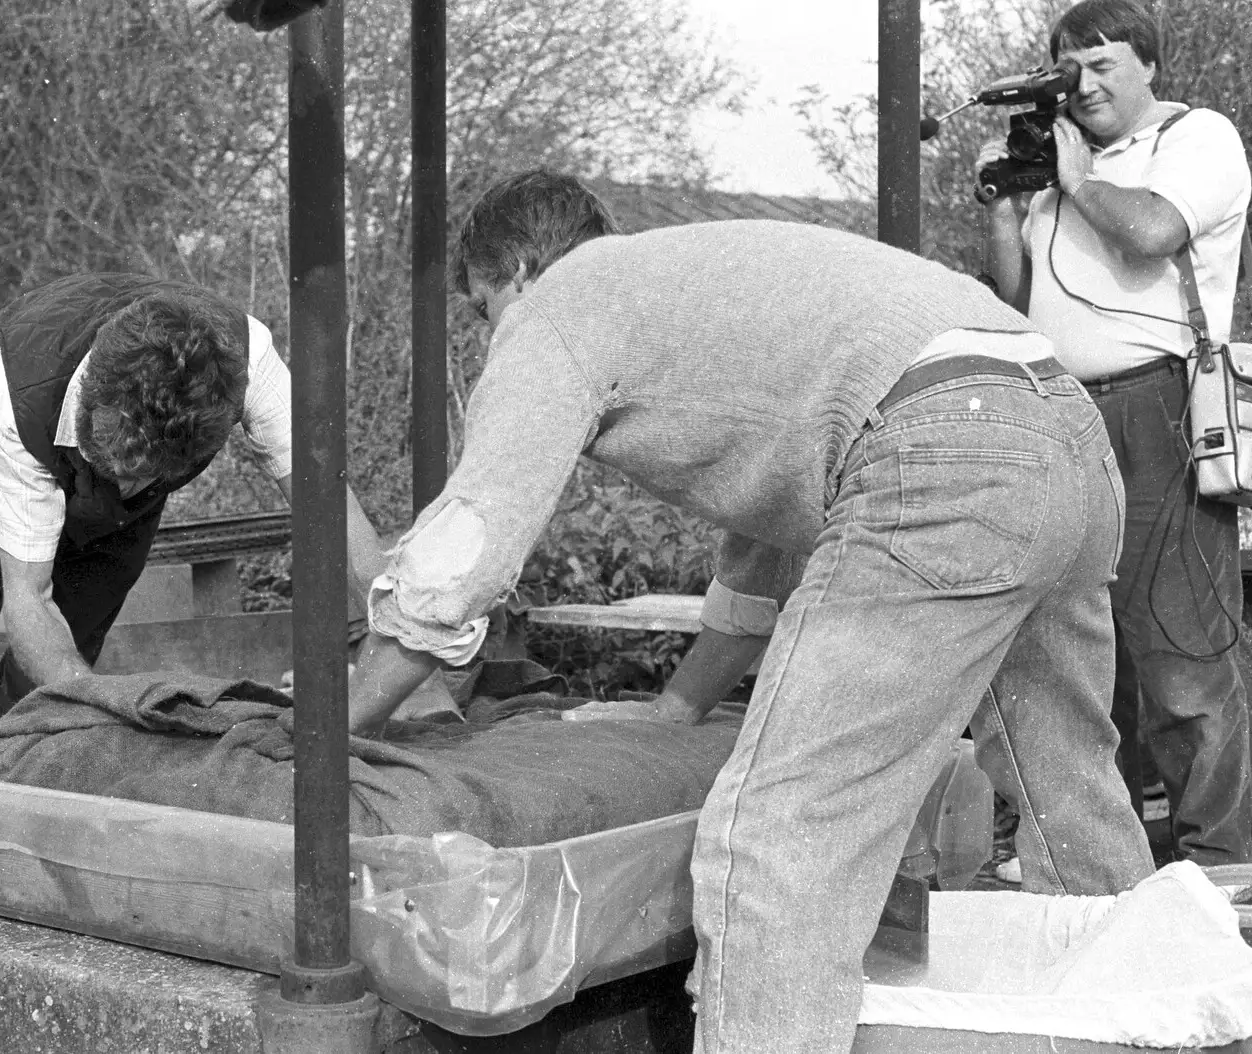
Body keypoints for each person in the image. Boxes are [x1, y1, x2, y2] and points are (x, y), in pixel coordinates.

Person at [344, 169, 1154, 1052]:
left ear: (522, 272)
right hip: (1063, 426)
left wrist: (332, 728)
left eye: (480, 311)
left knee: (778, 838)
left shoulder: (561, 303)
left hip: (946, 447)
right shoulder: (703, 280)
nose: (490, 336)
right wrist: (676, 707)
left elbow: (468, 548)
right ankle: (1148, 1023)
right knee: (1067, 788)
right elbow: (771, 537)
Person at [0, 272, 385, 732]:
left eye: (145, 478)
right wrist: (109, 702)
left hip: (126, 439)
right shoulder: (16, 395)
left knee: (70, 650)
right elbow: (29, 600)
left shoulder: (252, 368)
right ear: (93, 395)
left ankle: (5, 782)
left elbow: (332, 514)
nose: (127, 491)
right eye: (119, 471)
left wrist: (391, 644)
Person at [974, 0, 1252, 866]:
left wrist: (1078, 179)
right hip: (1059, 408)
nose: (1082, 84)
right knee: (1080, 658)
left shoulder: (1193, 138)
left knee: (1181, 653)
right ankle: (1108, 866)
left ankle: (1224, 866)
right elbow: (1013, 300)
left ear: (1150, 67)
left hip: (1157, 405)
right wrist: (998, 203)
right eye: (1068, 66)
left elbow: (1153, 233)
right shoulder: (1068, 164)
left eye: (1102, 65)